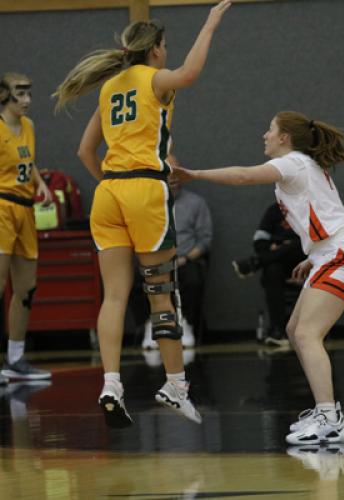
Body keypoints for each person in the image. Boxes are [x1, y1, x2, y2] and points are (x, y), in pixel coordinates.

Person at [53, 0, 232, 428]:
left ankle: (111, 383)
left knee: (114, 296)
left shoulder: (110, 87)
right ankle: (174, 384)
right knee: (161, 293)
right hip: (144, 192)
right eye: (165, 46)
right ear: (154, 50)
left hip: (109, 192)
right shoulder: (155, 80)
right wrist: (209, 25)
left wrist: (110, 185)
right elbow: (190, 72)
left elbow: (83, 150)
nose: (167, 53)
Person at [174, 110, 344, 445]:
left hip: (342, 255)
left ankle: (330, 418)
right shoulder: (298, 169)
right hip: (331, 253)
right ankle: (325, 412)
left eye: (270, 130)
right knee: (295, 331)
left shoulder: (293, 162)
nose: (264, 135)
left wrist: (195, 173)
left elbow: (242, 177)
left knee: (307, 334)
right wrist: (313, 256)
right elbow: (325, 213)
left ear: (284, 138)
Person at [0, 73, 52, 385]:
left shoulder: (29, 127)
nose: (27, 100)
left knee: (26, 288)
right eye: (20, 94)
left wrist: (40, 183)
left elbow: (27, 162)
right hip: (2, 207)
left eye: (29, 93)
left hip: (26, 210)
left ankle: (15, 359)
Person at [142, 155, 213, 349]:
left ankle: (186, 324)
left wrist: (185, 258)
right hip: (155, 260)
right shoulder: (148, 205)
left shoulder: (196, 203)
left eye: (176, 172)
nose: (172, 177)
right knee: (133, 283)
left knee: (194, 280)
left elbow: (205, 239)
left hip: (186, 259)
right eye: (167, 173)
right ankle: (151, 325)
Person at [233, 202, 306, 346]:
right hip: (279, 266)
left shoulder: (310, 208)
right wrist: (281, 246)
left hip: (304, 265)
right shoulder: (273, 210)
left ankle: (256, 263)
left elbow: (313, 243)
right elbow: (259, 242)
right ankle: (278, 331)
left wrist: (278, 246)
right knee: (273, 270)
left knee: (299, 245)